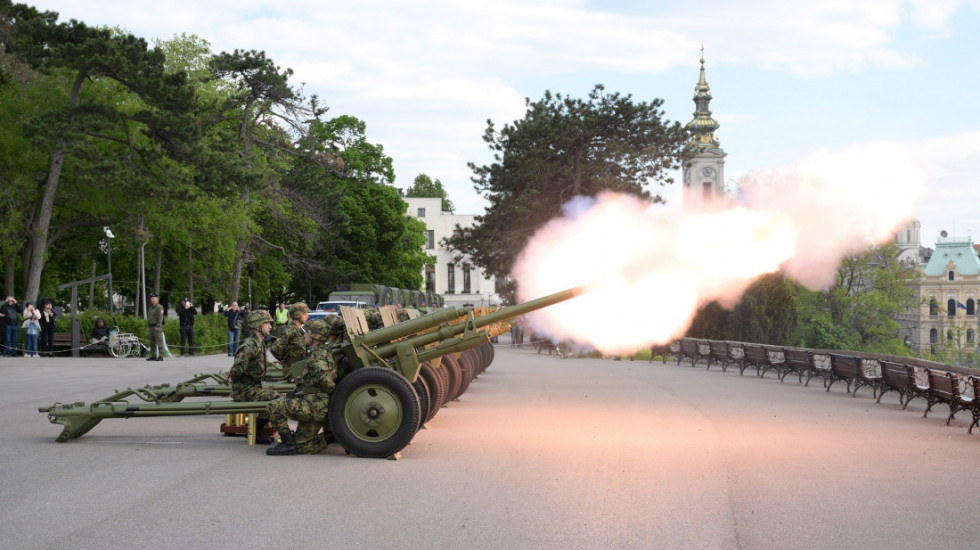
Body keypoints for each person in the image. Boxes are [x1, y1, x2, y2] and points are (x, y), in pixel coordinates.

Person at [266, 317, 342, 456]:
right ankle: (334, 436)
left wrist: (330, 388)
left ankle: (287, 444)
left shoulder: (317, 357)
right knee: (303, 446)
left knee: (274, 406)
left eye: (307, 333)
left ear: (315, 336)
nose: (304, 335)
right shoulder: (320, 351)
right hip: (317, 404)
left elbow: (325, 381)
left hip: (314, 406)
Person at [229, 310, 280, 445]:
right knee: (276, 398)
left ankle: (258, 430)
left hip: (253, 387)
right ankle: (256, 431)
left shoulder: (259, 344)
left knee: (275, 396)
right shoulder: (250, 345)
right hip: (244, 390)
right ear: (258, 326)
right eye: (267, 323)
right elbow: (236, 370)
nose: (270, 326)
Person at [269, 302, 309, 381]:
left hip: (300, 370)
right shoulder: (290, 330)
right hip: (292, 373)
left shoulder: (300, 330)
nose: (307, 316)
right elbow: (275, 348)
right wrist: (283, 358)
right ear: (298, 314)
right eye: (305, 314)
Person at [146, 293, 164, 361]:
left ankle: (161, 356)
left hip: (156, 327)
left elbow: (160, 318)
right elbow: (149, 318)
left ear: (157, 299)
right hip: (151, 327)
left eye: (154, 298)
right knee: (152, 342)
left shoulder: (159, 307)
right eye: (151, 298)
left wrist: (158, 326)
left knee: (159, 342)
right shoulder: (151, 308)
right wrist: (148, 326)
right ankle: (153, 355)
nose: (152, 299)